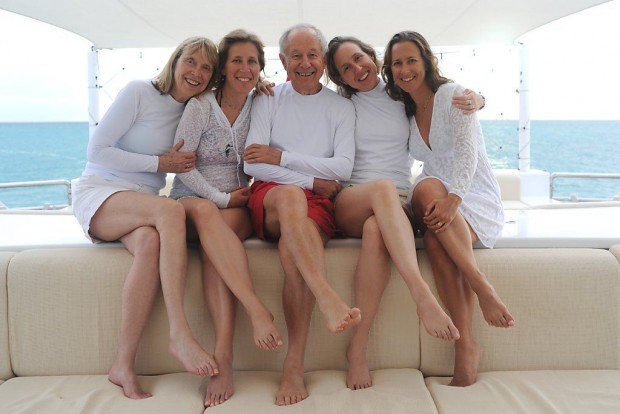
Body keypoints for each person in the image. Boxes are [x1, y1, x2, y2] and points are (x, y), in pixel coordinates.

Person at [325, 36, 484, 390]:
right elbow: (297, 103)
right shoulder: (338, 103)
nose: (356, 70)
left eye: (359, 58)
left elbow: (442, 101)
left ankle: (358, 350)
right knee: (380, 190)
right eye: (345, 69)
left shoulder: (401, 96)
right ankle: (421, 295)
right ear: (338, 77)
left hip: (396, 202)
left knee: (375, 230)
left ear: (371, 55)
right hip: (353, 196)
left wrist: (478, 98)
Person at [72, 37, 220, 400]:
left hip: (141, 203)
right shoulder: (139, 92)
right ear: (175, 61)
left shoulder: (198, 110)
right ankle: (179, 333)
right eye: (191, 62)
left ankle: (122, 363)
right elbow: (97, 150)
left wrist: (262, 86)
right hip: (101, 191)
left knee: (151, 241)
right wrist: (160, 164)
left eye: (206, 68)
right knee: (171, 210)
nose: (196, 72)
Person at [383, 30, 515, 386]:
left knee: (432, 210)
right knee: (426, 192)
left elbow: (468, 154)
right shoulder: (405, 108)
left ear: (427, 62)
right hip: (435, 194)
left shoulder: (453, 96)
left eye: (412, 60)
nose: (405, 69)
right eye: (397, 63)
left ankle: (480, 291)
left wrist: (455, 198)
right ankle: (467, 343)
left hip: (471, 193)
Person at [243, 23, 361, 406]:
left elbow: (342, 168)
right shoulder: (266, 99)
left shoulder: (341, 107)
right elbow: (254, 165)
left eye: (313, 55)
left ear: (324, 60)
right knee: (291, 196)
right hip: (273, 196)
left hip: (317, 205)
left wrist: (284, 157)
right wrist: (311, 178)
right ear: (282, 61)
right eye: (296, 55)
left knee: (293, 255)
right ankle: (327, 296)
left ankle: (293, 364)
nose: (305, 63)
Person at [169, 29, 283, 408]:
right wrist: (219, 197)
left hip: (238, 207)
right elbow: (182, 167)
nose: (245, 68)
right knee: (206, 214)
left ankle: (224, 358)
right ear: (223, 67)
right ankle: (256, 309)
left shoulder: (261, 104)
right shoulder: (200, 106)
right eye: (237, 60)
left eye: (252, 61)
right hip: (192, 201)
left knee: (220, 246)